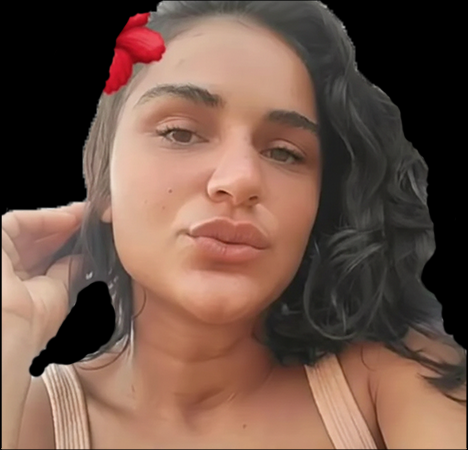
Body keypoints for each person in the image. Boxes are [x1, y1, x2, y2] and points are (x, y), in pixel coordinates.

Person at [2, 1, 466, 449]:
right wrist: (8, 331)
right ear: (104, 183)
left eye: (284, 153)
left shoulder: (390, 380)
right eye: (181, 132)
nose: (240, 180)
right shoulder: (28, 420)